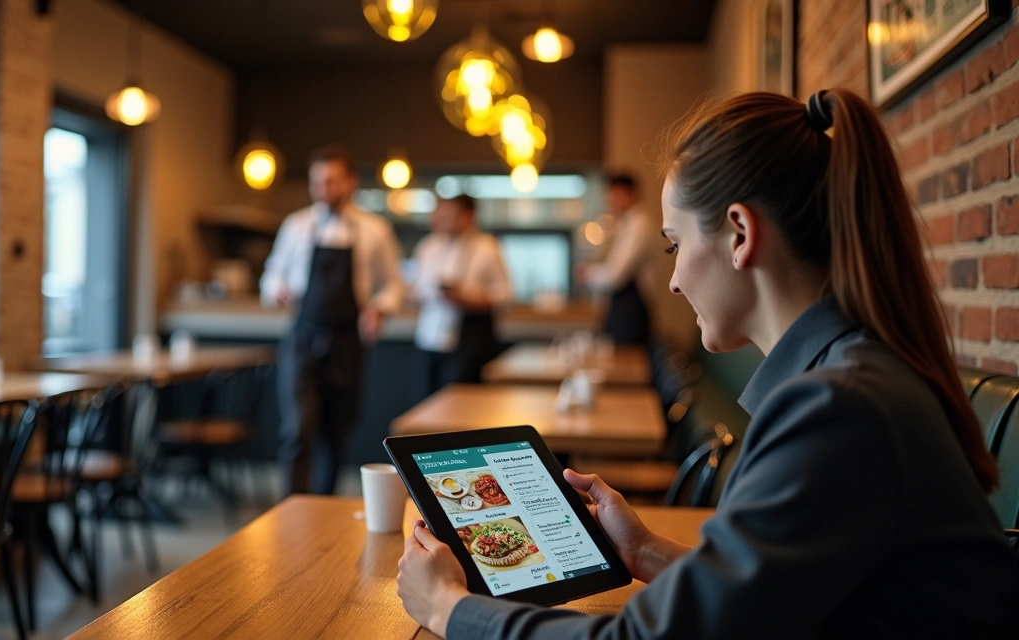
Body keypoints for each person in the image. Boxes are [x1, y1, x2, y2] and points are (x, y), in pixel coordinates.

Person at [395, 90, 1019, 638]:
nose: (671, 281)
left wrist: (449, 607)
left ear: (741, 235)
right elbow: (764, 597)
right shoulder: (853, 375)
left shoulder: (838, 404)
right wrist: (641, 551)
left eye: (675, 244)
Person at [260, 145, 403, 495]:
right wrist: (276, 289)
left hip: (347, 342)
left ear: (350, 182)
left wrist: (379, 308)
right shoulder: (296, 226)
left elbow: (395, 284)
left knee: (336, 432)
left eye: (331, 181)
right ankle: (289, 507)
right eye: (317, 182)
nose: (323, 189)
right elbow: (271, 275)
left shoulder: (374, 229)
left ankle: (322, 504)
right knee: (297, 428)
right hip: (302, 338)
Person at [410, 195, 511, 398]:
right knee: (426, 401)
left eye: (449, 215)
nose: (441, 220)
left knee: (462, 401)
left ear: (468, 216)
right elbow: (414, 289)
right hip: (430, 338)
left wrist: (468, 298)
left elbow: (505, 295)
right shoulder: (428, 247)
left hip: (470, 336)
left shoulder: (487, 246)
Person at [581, 174, 657, 346]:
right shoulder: (625, 225)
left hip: (632, 310)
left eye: (615, 196)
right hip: (622, 308)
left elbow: (616, 275)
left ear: (631, 194)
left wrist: (589, 274)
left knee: (627, 363)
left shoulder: (640, 226)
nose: (611, 202)